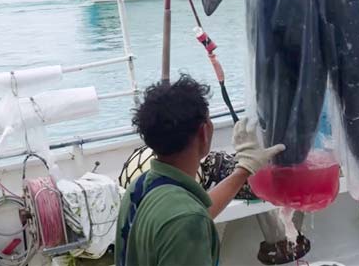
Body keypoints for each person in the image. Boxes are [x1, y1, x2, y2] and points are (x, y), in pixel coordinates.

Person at [115, 74, 285, 266]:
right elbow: (188, 217)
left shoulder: (140, 188)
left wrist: (244, 169)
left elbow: (198, 211)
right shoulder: (186, 220)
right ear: (204, 132)